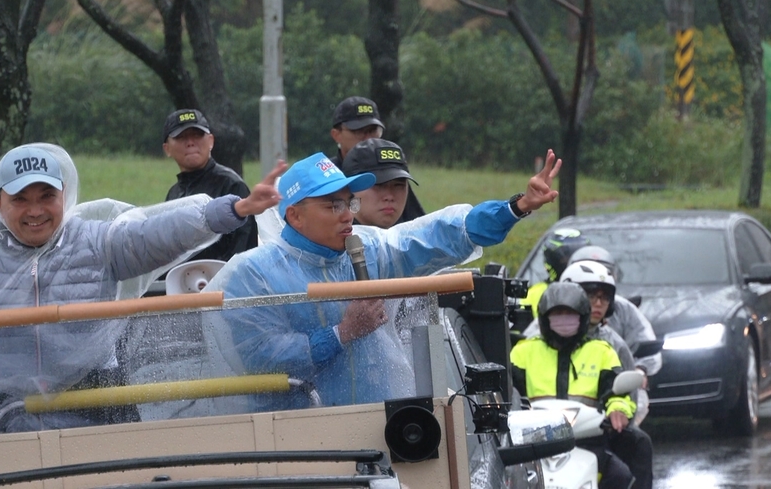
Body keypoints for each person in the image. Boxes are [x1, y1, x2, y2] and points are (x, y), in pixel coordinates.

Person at [0, 143, 285, 435]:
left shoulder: (96, 241)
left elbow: (153, 232)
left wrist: (233, 210)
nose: (35, 211)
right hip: (2, 408)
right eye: (20, 199)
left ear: (64, 196)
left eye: (47, 196)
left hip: (93, 399)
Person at [204, 149, 561, 410]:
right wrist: (340, 335)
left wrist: (515, 208)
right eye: (334, 206)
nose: (348, 215)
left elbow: (437, 235)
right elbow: (257, 359)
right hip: (294, 447)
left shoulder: (368, 248)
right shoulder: (252, 274)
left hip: (383, 433)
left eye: (350, 203)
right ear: (295, 216)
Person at [511, 282, 653, 489]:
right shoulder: (523, 352)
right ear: (544, 317)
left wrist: (618, 410)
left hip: (588, 440)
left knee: (622, 476)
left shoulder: (602, 351)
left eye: (570, 314)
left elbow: (617, 390)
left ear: (583, 318)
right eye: (557, 313)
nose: (564, 320)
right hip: (535, 442)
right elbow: (509, 391)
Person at [567, 245, 661, 426]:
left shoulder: (615, 342)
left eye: (604, 296)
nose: (598, 303)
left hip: (602, 409)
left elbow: (645, 341)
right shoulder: (543, 328)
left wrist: (640, 370)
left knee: (638, 444)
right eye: (590, 294)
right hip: (552, 413)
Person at [162, 108, 258, 261]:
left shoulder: (231, 186)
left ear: (211, 141)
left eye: (197, 135)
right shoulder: (174, 193)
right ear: (167, 149)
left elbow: (243, 252)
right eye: (181, 137)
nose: (191, 142)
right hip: (180, 282)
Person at [329, 96, 425, 224]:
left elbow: (418, 224)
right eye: (358, 131)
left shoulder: (392, 169)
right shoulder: (327, 177)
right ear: (336, 135)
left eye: (373, 130)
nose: (368, 137)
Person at [340, 138, 417, 229]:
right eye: (378, 185)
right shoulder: (329, 240)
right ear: (348, 190)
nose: (389, 196)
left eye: (398, 185)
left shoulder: (415, 238)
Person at [519, 228, 590, 319]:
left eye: (580, 259)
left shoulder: (596, 291)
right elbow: (520, 331)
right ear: (553, 260)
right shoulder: (532, 295)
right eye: (566, 259)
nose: (574, 265)